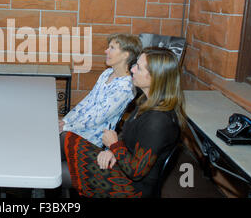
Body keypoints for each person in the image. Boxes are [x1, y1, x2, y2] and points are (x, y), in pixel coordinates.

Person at [63, 47, 187, 198]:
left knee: (59, 171)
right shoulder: (146, 101)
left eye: (138, 68)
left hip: (131, 188)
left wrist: (114, 146)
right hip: (121, 163)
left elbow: (136, 172)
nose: (132, 69)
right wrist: (112, 151)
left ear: (156, 77)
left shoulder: (158, 122)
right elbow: (129, 137)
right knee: (65, 138)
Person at [59, 33, 142, 148]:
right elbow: (87, 101)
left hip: (93, 139)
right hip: (78, 129)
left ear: (125, 55)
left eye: (112, 48)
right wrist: (66, 121)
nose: (106, 51)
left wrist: (67, 127)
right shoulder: (107, 73)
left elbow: (97, 117)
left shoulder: (125, 87)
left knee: (51, 140)